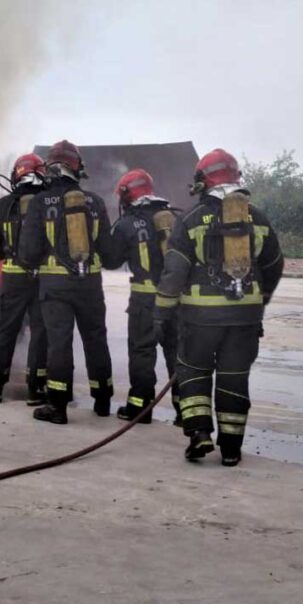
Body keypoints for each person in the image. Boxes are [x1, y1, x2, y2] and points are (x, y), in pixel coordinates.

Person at [153, 148, 284, 466]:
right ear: (236, 179)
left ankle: (199, 436)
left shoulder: (191, 220)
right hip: (245, 319)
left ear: (203, 181)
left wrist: (162, 312)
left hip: (199, 318)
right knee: (234, 378)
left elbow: (174, 273)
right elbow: (275, 264)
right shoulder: (259, 218)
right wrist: (259, 301)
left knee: (194, 373)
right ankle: (231, 450)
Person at [19, 140, 114, 424]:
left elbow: (27, 253)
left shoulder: (40, 202)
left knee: (59, 343)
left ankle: (57, 406)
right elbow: (109, 255)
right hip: (90, 286)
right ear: (78, 168)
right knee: (96, 339)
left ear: (49, 168)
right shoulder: (95, 202)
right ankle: (102, 400)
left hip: (55, 288)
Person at [106, 169, 181, 425]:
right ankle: (187, 412)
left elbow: (112, 260)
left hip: (145, 302)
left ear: (128, 194)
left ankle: (140, 408)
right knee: (177, 354)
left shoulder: (127, 224)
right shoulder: (176, 219)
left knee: (142, 354)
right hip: (177, 301)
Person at [0, 153, 48, 404]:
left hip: (13, 279)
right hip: (42, 278)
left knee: (7, 330)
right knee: (40, 332)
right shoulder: (48, 204)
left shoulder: (1, 206)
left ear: (17, 175)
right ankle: (36, 389)